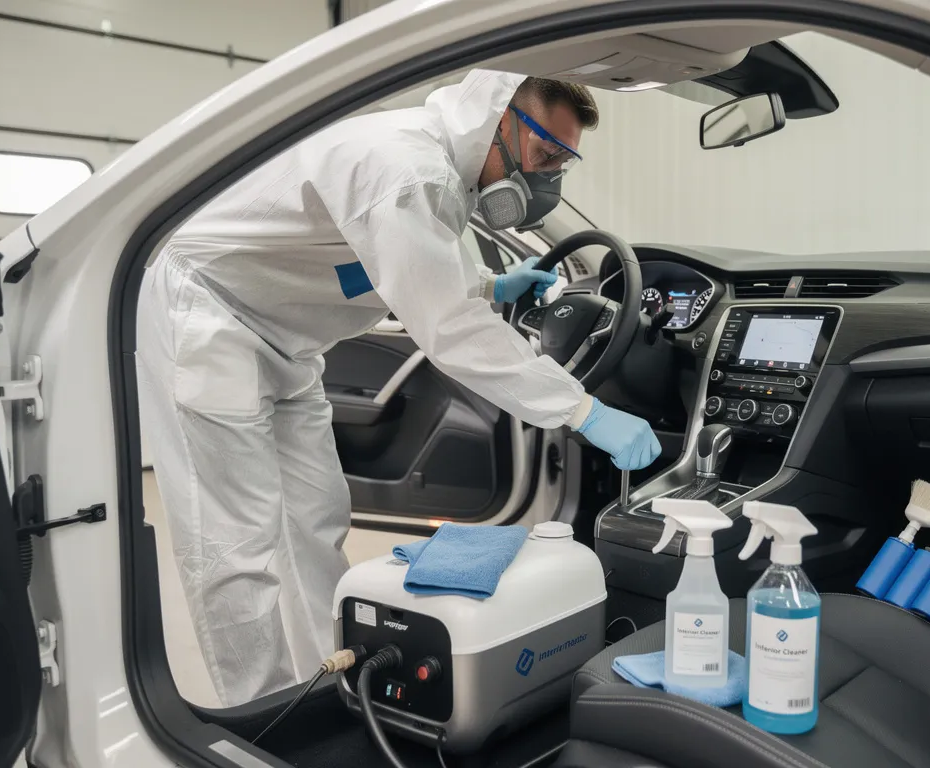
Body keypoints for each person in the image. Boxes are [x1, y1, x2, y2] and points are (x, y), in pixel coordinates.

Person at [136, 69, 661, 706]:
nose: (548, 177)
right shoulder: (409, 170)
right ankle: (256, 713)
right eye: (545, 154)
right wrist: (583, 411)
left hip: (286, 339)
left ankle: (327, 687)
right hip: (209, 317)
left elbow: (401, 265)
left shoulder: (444, 174)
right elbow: (450, 330)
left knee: (316, 517)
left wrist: (492, 286)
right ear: (497, 119)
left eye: (561, 163)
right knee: (235, 543)